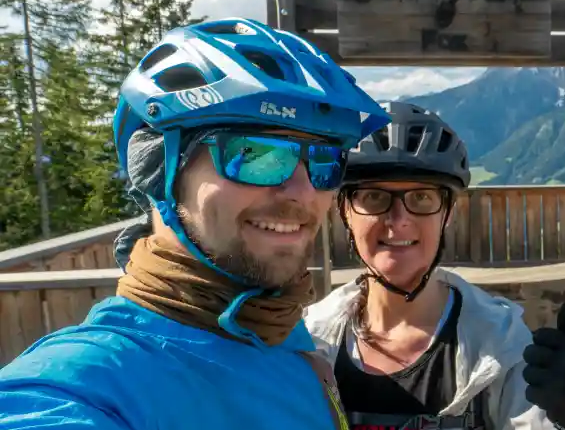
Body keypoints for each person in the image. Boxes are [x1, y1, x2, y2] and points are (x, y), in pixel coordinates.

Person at [0, 18, 390, 429]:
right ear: (159, 171)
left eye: (325, 161)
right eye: (255, 154)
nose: (303, 192)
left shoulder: (279, 337)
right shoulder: (78, 388)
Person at [303, 102, 565, 430]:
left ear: (447, 214)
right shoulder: (310, 340)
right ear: (345, 213)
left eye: (422, 198)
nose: (399, 220)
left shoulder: (501, 345)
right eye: (374, 197)